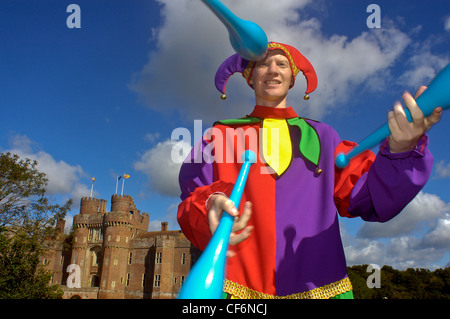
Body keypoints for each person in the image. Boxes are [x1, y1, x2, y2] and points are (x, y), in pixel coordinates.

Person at [177, 42, 442, 299]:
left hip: (320, 289)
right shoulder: (219, 136)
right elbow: (193, 196)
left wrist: (401, 150)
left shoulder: (325, 136)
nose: (272, 70)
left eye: (282, 64)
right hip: (233, 290)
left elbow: (370, 197)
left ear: (292, 79)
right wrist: (208, 205)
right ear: (249, 77)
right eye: (262, 64)